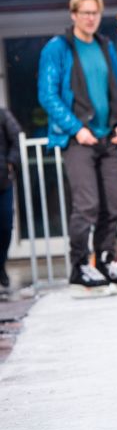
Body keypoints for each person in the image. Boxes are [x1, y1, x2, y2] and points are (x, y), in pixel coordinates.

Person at [37, 0, 117, 294]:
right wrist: (74, 128)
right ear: (73, 15)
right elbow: (48, 93)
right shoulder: (58, 48)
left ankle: (106, 260)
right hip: (77, 138)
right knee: (87, 205)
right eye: (85, 12)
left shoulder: (104, 45)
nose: (91, 18)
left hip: (108, 136)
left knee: (113, 202)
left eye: (95, 12)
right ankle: (80, 266)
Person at [0, 106, 23, 293]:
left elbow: (16, 138)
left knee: (5, 226)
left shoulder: (2, 114)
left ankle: (0, 264)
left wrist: (11, 163)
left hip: (3, 182)